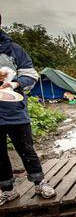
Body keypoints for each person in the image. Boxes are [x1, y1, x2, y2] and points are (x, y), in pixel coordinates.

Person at [0, 15, 56, 205]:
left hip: (15, 110)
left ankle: (39, 182)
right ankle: (7, 190)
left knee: (26, 148)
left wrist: (14, 84)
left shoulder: (14, 49)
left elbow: (31, 74)